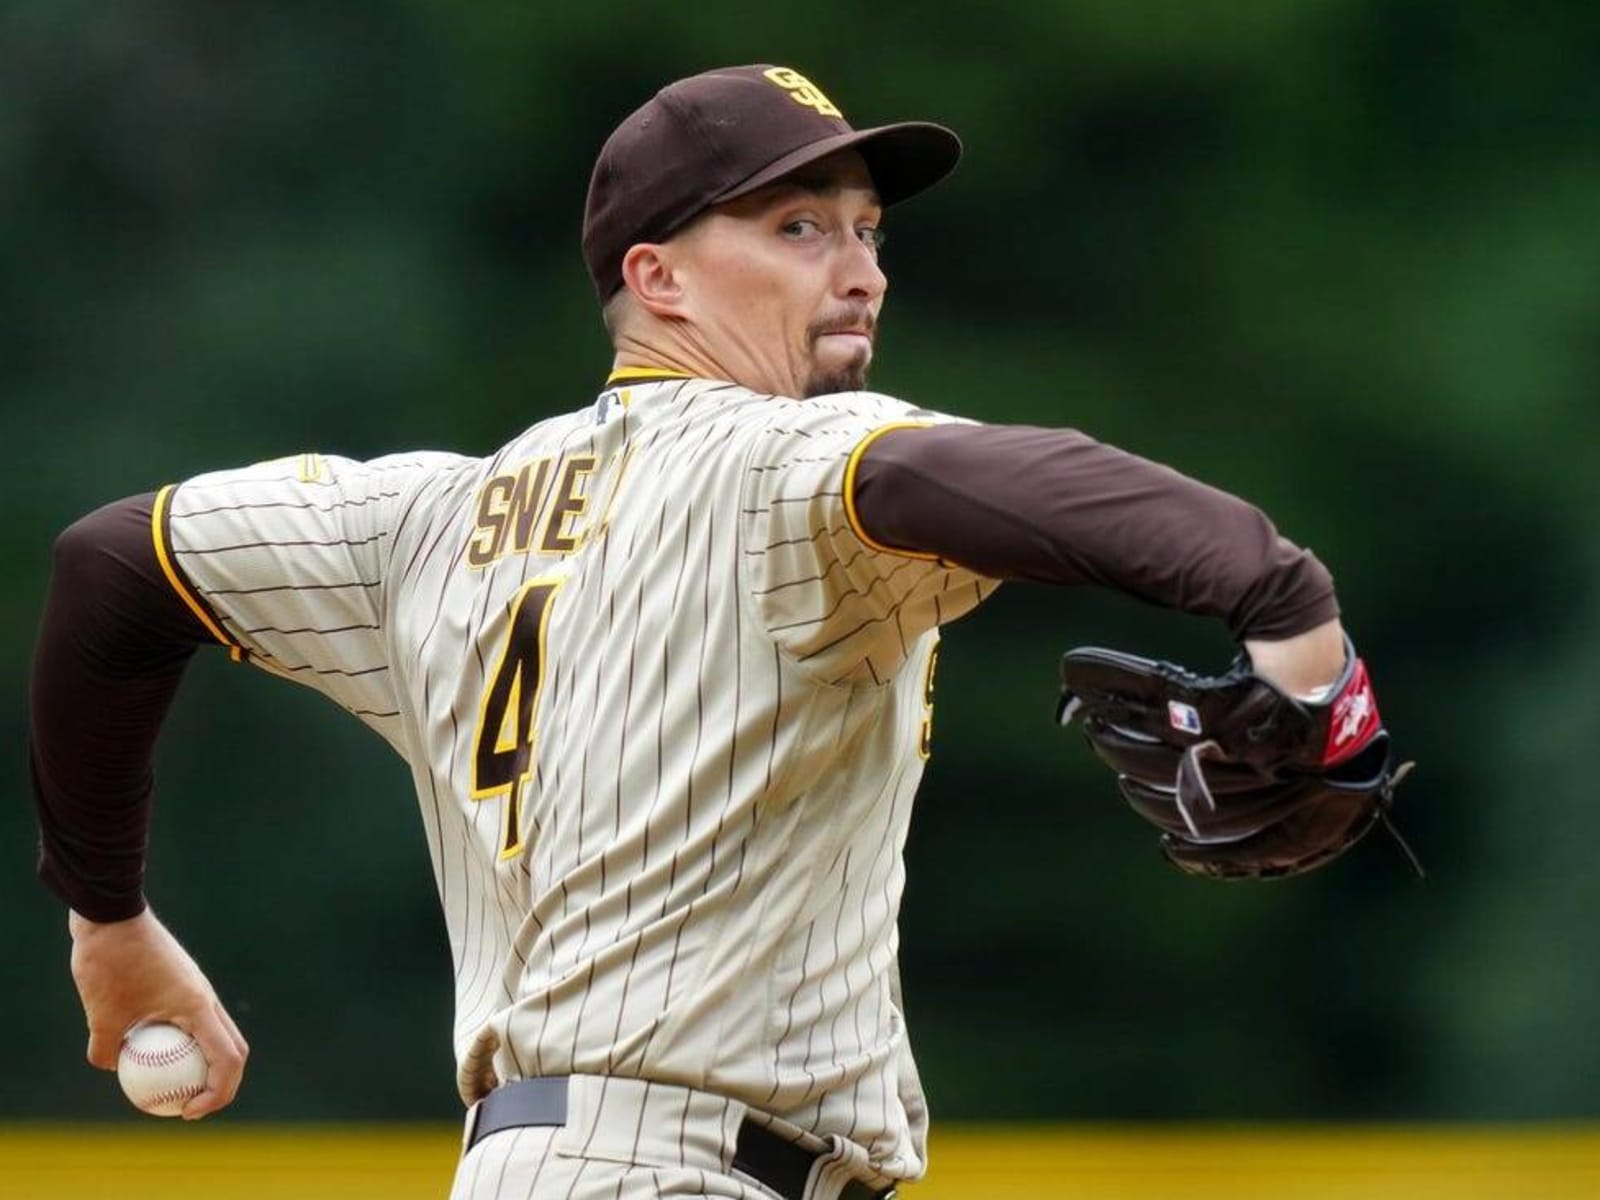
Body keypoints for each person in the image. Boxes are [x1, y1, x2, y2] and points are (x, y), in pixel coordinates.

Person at [31, 65, 1365, 1199]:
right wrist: (1295, 620)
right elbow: (1025, 486)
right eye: (798, 228)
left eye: (869, 232)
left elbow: (112, 564)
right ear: (656, 275)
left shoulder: (416, 526)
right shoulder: (787, 467)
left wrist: (107, 914)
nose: (860, 271)